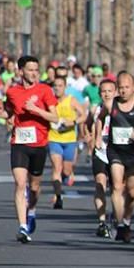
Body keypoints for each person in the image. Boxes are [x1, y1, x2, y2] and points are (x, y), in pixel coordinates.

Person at [0, 55, 58, 244]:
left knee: (34, 187)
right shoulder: (12, 92)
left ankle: (31, 210)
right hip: (19, 143)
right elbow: (9, 111)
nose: (33, 73)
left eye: (36, 69)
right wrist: (4, 115)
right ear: (21, 71)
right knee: (20, 184)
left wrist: (36, 110)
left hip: (39, 144)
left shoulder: (45, 90)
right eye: (30, 69)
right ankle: (23, 226)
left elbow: (55, 118)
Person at [105, 71, 134, 243]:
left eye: (127, 87)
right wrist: (95, 136)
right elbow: (99, 118)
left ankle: (126, 220)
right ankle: (120, 225)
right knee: (117, 186)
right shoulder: (111, 104)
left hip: (133, 153)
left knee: (132, 192)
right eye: (121, 87)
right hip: (115, 151)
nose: (123, 91)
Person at [47, 75, 87, 210]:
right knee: (56, 168)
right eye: (55, 86)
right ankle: (58, 196)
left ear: (65, 87)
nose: (57, 88)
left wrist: (73, 122)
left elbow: (83, 115)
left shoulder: (71, 100)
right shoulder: (50, 101)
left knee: (66, 170)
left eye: (60, 86)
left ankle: (67, 175)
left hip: (69, 140)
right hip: (54, 138)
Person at [90, 77, 117, 237]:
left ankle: (115, 215)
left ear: (115, 92)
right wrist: (91, 136)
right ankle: (101, 221)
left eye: (110, 91)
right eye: (103, 91)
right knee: (100, 184)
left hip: (117, 152)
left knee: (117, 188)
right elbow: (88, 123)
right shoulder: (95, 109)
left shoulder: (121, 109)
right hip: (100, 151)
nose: (106, 94)